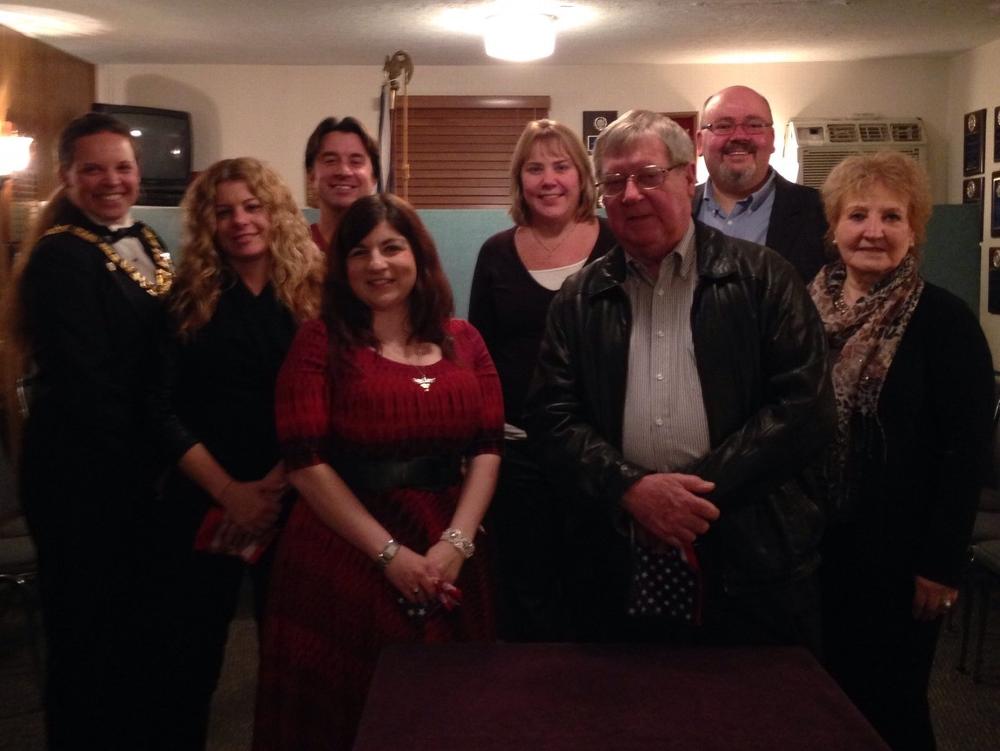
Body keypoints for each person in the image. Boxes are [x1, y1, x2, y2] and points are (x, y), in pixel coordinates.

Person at [525, 109, 835, 648]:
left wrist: (688, 499)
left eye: (648, 175)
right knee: (632, 710)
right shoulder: (579, 298)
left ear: (687, 177)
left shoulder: (764, 277)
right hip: (618, 548)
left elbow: (805, 409)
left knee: (752, 716)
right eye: (614, 181)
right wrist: (632, 489)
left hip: (749, 551)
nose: (630, 194)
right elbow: (551, 417)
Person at [253, 193, 503, 750]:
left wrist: (457, 543)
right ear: (342, 267)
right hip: (345, 553)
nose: (377, 264)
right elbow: (305, 461)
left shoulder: (465, 340)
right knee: (348, 713)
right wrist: (389, 555)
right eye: (360, 252)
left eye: (392, 247)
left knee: (446, 712)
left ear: (419, 255)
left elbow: (488, 448)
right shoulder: (319, 341)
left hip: (450, 552)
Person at [809, 152, 993, 751]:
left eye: (892, 216)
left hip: (899, 555)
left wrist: (939, 564)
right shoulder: (802, 310)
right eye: (858, 214)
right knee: (819, 698)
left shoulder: (946, 320)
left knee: (892, 704)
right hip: (812, 547)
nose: (873, 231)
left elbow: (965, 454)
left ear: (914, 230)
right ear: (834, 225)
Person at [2, 112, 173, 749]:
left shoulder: (148, 237)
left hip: (129, 466)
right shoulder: (60, 257)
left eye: (122, 167)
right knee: (84, 633)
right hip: (83, 475)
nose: (111, 180)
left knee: (129, 625)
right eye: (94, 169)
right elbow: (88, 385)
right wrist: (168, 454)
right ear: (67, 176)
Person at [153, 157, 324, 749]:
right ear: (207, 223)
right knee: (190, 658)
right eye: (223, 211)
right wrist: (232, 495)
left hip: (296, 498)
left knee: (292, 656)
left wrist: (274, 488)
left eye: (252, 206)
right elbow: (159, 410)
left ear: (275, 212)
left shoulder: (311, 293)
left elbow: (326, 398)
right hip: (205, 500)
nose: (240, 221)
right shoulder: (184, 297)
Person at [468, 118, 616, 640]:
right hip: (518, 451)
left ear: (582, 176)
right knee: (525, 584)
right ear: (519, 180)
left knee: (594, 581)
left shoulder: (618, 243)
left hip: (600, 448)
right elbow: (479, 356)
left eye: (561, 166)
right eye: (535, 168)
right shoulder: (495, 252)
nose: (548, 179)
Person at [694, 85, 827, 281]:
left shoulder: (822, 211)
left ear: (772, 139)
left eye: (754, 125)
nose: (739, 136)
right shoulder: (674, 208)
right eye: (723, 126)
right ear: (699, 142)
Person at [304, 116, 380, 251]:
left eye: (356, 162)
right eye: (330, 160)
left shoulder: (390, 248)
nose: (344, 171)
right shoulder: (293, 250)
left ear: (374, 176)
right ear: (311, 175)